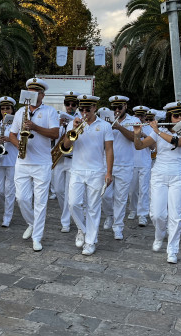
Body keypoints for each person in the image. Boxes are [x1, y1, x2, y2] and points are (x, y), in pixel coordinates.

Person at [133, 101, 181, 264]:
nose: (179, 118)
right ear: (169, 116)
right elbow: (139, 146)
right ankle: (159, 235)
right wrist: (138, 133)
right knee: (157, 214)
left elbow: (177, 142)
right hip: (159, 173)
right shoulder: (160, 130)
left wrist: (156, 130)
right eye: (175, 115)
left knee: (176, 215)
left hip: (179, 175)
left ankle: (172, 249)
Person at [8, 78, 59, 251]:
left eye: (36, 92)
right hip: (22, 162)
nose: (33, 94)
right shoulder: (20, 112)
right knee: (21, 198)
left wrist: (35, 127)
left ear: (42, 95)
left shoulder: (50, 111)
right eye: (30, 91)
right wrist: (19, 146)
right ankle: (31, 222)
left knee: (40, 202)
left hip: (42, 163)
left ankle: (37, 237)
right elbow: (12, 134)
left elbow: (55, 134)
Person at [62, 95, 113, 255]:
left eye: (87, 109)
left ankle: (90, 242)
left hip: (96, 171)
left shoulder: (105, 126)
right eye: (82, 109)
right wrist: (73, 129)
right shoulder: (74, 123)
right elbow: (65, 145)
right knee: (73, 204)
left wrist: (109, 172)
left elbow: (109, 150)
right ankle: (83, 230)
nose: (84, 112)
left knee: (93, 208)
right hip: (76, 169)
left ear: (94, 108)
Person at [102, 95, 140, 240]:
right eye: (114, 108)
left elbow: (134, 138)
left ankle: (118, 227)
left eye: (119, 107)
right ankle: (110, 216)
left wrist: (118, 126)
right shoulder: (105, 119)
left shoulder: (134, 120)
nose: (117, 110)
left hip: (125, 165)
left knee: (121, 198)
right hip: (107, 164)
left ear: (125, 106)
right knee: (105, 196)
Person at [51, 91, 82, 233]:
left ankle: (66, 222)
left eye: (73, 104)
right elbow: (51, 139)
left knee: (70, 192)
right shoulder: (58, 118)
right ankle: (68, 214)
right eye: (67, 104)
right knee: (58, 190)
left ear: (77, 105)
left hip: (72, 159)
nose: (70, 107)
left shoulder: (81, 119)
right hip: (59, 158)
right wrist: (58, 126)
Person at [0, 96, 18, 227]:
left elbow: (21, 142)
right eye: (3, 108)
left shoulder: (17, 125)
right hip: (0, 159)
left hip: (12, 159)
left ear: (13, 110)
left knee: (9, 190)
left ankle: (7, 217)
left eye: (8, 108)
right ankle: (8, 207)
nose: (5, 111)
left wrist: (9, 139)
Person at [127, 106, 153, 226]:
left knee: (144, 190)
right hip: (132, 161)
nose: (140, 118)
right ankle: (133, 209)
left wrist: (142, 134)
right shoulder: (130, 126)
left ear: (145, 117)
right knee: (132, 190)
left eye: (142, 116)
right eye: (137, 116)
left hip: (145, 162)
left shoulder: (149, 128)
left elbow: (153, 147)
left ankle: (142, 214)